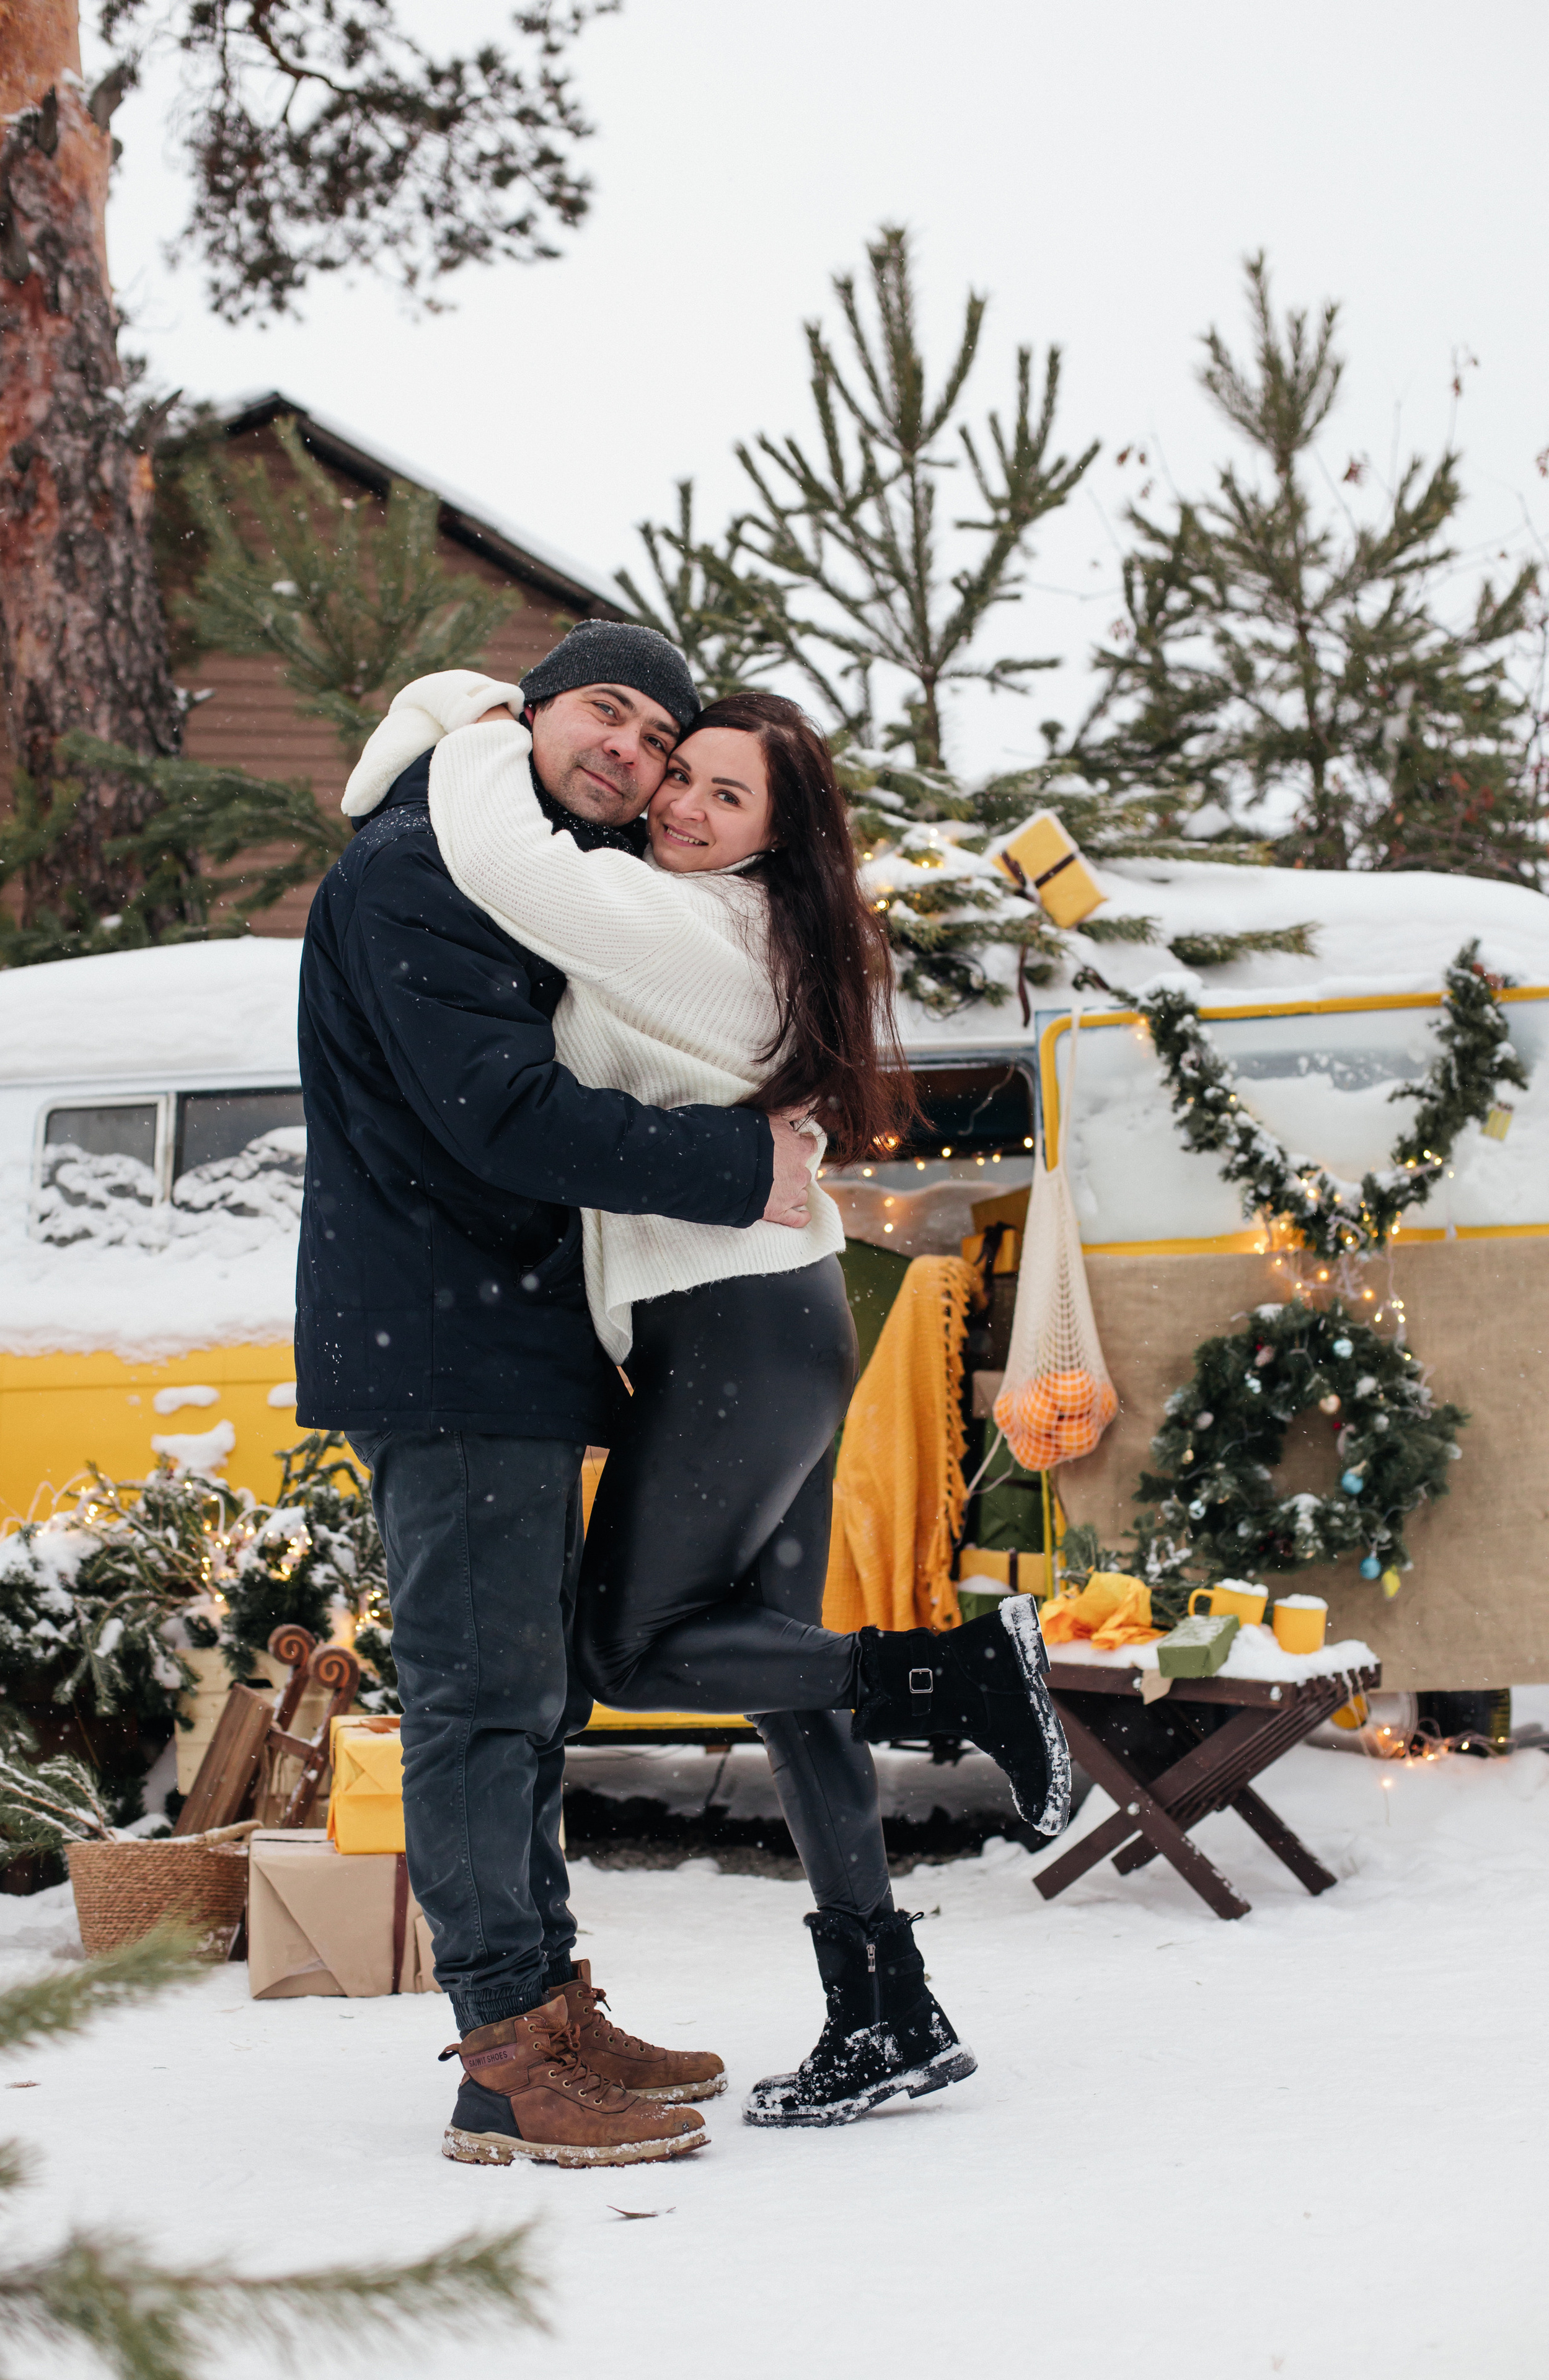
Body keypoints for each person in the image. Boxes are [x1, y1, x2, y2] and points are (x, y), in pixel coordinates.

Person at [342, 668, 1072, 2131]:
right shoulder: (748, 926)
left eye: (722, 794)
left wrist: (470, 718)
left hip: (729, 1332)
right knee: (783, 1671)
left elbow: (500, 857)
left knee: (624, 1645)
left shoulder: (682, 923)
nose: (676, 801)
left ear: (769, 839)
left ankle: (954, 1674)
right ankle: (883, 2006)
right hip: (777, 1319)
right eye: (680, 773)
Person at [296, 620, 821, 2172]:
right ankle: (507, 2061)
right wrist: (741, 1165)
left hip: (500, 1338)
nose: (632, 754)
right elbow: (503, 1112)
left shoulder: (508, 866)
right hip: (442, 1341)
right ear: (529, 712)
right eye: (607, 712)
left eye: (660, 741)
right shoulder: (416, 870)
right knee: (478, 1701)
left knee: (527, 1702)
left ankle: (547, 2004)